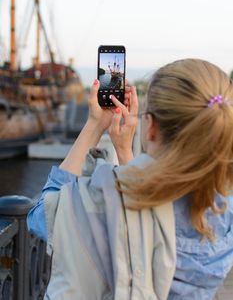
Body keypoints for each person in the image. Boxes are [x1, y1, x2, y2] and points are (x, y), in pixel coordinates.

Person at [27, 58, 233, 300]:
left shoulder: (101, 203)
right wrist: (126, 154)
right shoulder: (223, 209)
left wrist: (95, 125)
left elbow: (42, 217)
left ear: (151, 126)